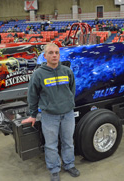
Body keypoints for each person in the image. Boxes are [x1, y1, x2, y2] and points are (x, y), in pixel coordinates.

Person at [22, 43, 80, 181]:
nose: (54, 55)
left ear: (59, 55)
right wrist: (33, 114)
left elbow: (72, 90)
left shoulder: (67, 71)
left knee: (68, 142)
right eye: (51, 53)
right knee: (51, 145)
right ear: (45, 55)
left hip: (67, 114)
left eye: (56, 53)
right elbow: (32, 96)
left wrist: (69, 104)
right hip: (49, 116)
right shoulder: (38, 74)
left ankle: (69, 164)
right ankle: (54, 170)